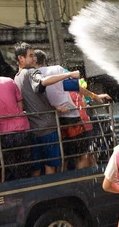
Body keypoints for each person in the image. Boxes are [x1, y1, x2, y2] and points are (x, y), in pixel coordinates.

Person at [34, 49, 110, 170]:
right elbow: (75, 87)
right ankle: (84, 183)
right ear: (44, 60)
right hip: (72, 118)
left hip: (54, 121)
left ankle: (66, 185)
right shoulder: (57, 70)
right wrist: (94, 96)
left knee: (64, 157)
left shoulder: (32, 77)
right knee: (82, 155)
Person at [13, 42, 80, 176]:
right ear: (21, 58)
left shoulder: (16, 77)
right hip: (48, 127)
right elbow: (43, 82)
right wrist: (68, 75)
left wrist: (54, 106)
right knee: (51, 166)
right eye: (30, 56)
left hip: (33, 128)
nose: (34, 59)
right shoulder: (32, 72)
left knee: (36, 168)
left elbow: (30, 101)